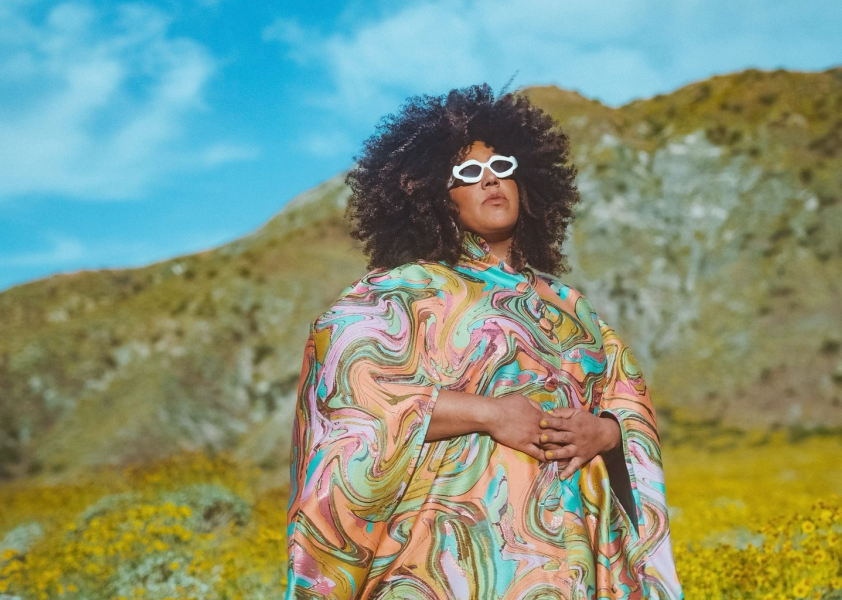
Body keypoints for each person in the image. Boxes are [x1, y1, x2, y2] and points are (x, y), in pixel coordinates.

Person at [284, 83, 683, 600]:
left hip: (571, 556)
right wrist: (487, 413)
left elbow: (625, 402)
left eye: (502, 167)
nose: (491, 179)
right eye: (467, 174)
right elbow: (350, 395)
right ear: (432, 196)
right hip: (443, 560)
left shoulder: (571, 306)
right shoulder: (402, 293)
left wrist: (602, 434)